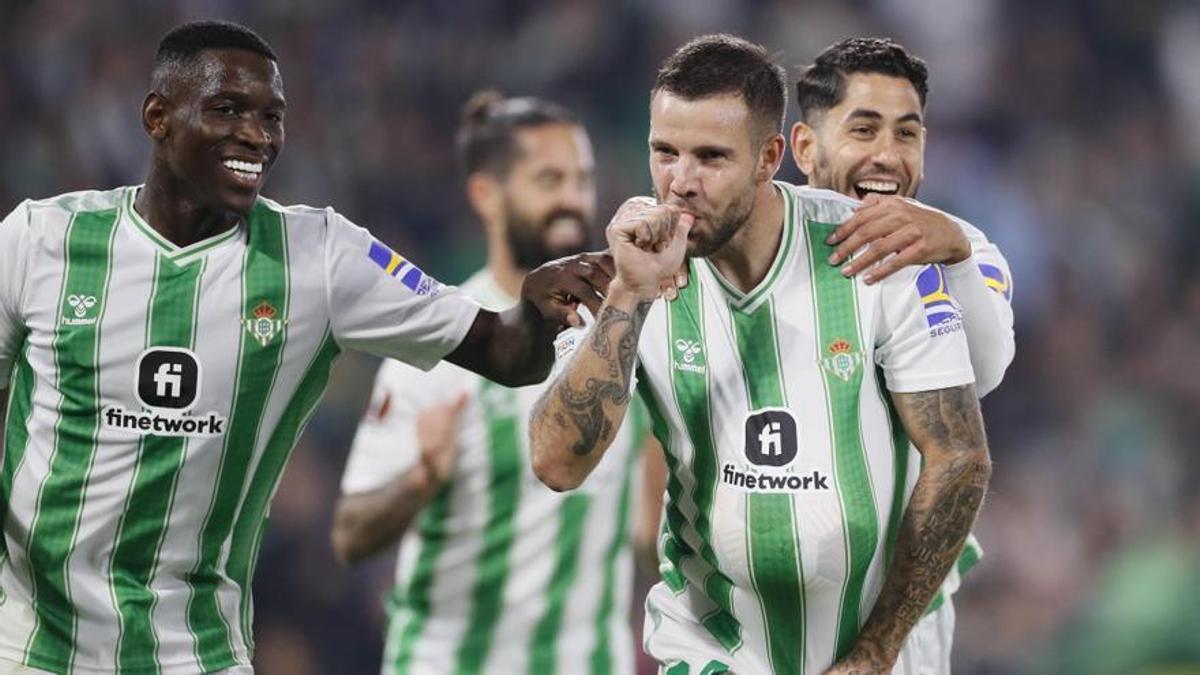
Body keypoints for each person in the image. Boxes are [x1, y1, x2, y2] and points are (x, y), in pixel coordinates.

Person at [0, 21, 612, 674]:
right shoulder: (43, 239)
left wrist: (536, 306)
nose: (256, 136)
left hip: (195, 656)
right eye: (227, 109)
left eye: (273, 116)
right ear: (158, 116)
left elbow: (505, 352)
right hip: (28, 649)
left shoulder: (320, 257)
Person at [529, 35, 992, 674]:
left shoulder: (875, 247)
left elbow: (959, 455)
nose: (680, 183)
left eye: (711, 158)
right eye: (665, 153)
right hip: (712, 649)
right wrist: (629, 296)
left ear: (770, 157)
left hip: (879, 647)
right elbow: (556, 464)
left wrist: (877, 651)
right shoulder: (627, 273)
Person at [329, 91, 664, 674]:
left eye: (582, 179)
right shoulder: (446, 342)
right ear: (487, 194)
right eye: (549, 179)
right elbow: (350, 537)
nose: (572, 198)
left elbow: (646, 532)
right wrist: (420, 478)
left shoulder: (628, 331)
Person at [790, 37, 1014, 397]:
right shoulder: (758, 235)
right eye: (864, 131)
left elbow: (982, 375)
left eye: (905, 134)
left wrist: (959, 263)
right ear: (806, 148)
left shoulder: (966, 248)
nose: (889, 157)